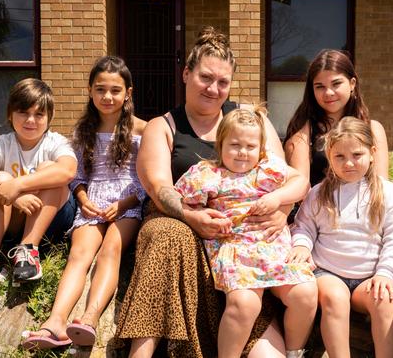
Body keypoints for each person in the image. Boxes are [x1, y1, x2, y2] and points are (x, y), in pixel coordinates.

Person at [115, 26, 294, 358]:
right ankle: (141, 350)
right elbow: (158, 187)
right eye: (205, 78)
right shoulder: (163, 126)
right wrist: (190, 216)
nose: (214, 89)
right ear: (186, 74)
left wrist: (280, 212)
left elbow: (280, 177)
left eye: (223, 82)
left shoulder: (251, 120)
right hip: (178, 222)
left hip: (241, 241)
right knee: (169, 235)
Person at [21, 56, 147, 349]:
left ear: (128, 92)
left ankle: (88, 319)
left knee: (111, 249)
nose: (108, 96)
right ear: (90, 90)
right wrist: (82, 198)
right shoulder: (82, 131)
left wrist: (127, 202)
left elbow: (147, 177)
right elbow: (76, 175)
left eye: (115, 90)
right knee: (79, 254)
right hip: (91, 202)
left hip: (127, 204)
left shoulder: (143, 129)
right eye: (100, 89)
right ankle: (55, 322)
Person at [174, 105, 317, 358]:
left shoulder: (268, 169)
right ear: (221, 145)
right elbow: (178, 197)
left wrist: (277, 198)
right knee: (245, 303)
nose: (242, 152)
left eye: (250, 147)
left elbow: (301, 183)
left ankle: (294, 352)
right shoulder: (208, 173)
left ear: (261, 149)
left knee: (305, 293)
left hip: (274, 248)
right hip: (236, 250)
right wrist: (196, 215)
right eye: (235, 145)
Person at [290, 116, 393, 358]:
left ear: (372, 152)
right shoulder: (320, 193)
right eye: (340, 157)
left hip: (368, 277)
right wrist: (302, 245)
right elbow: (304, 226)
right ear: (329, 157)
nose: (349, 164)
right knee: (335, 298)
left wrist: (385, 272)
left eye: (357, 155)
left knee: (384, 300)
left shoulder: (387, 192)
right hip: (328, 272)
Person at [0, 78, 78, 298]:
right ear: (10, 114)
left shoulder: (56, 142)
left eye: (39, 114)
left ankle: (28, 250)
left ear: (50, 117)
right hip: (14, 222)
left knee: (49, 169)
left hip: (53, 223)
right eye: (23, 112)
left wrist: (16, 186)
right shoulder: (1, 144)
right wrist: (12, 196)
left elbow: (67, 171)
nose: (30, 120)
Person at [283, 49, 389, 186]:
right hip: (316, 206)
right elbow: (300, 188)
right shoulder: (303, 129)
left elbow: (381, 185)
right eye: (320, 86)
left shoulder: (373, 128)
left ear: (352, 84)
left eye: (336, 84)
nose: (328, 93)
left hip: (365, 205)